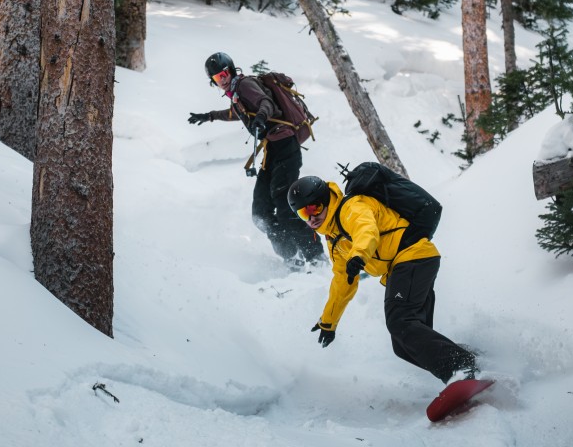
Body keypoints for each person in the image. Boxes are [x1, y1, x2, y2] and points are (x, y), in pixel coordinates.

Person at [287, 175, 477, 384]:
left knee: (400, 322)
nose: (311, 217)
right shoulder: (334, 239)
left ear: (326, 199)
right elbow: (343, 282)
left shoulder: (351, 207)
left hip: (413, 256)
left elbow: (366, 231)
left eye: (314, 207)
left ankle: (462, 368)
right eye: (304, 213)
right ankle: (470, 358)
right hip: (404, 267)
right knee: (403, 346)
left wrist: (359, 254)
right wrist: (328, 322)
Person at [188, 52, 323, 267]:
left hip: (286, 147)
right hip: (273, 152)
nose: (221, 80)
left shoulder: (245, 85)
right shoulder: (235, 94)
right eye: (216, 78)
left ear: (230, 70)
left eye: (223, 74)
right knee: (260, 212)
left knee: (285, 205)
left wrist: (261, 117)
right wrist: (209, 116)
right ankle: (291, 257)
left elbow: (265, 102)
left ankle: (316, 256)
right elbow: (236, 113)